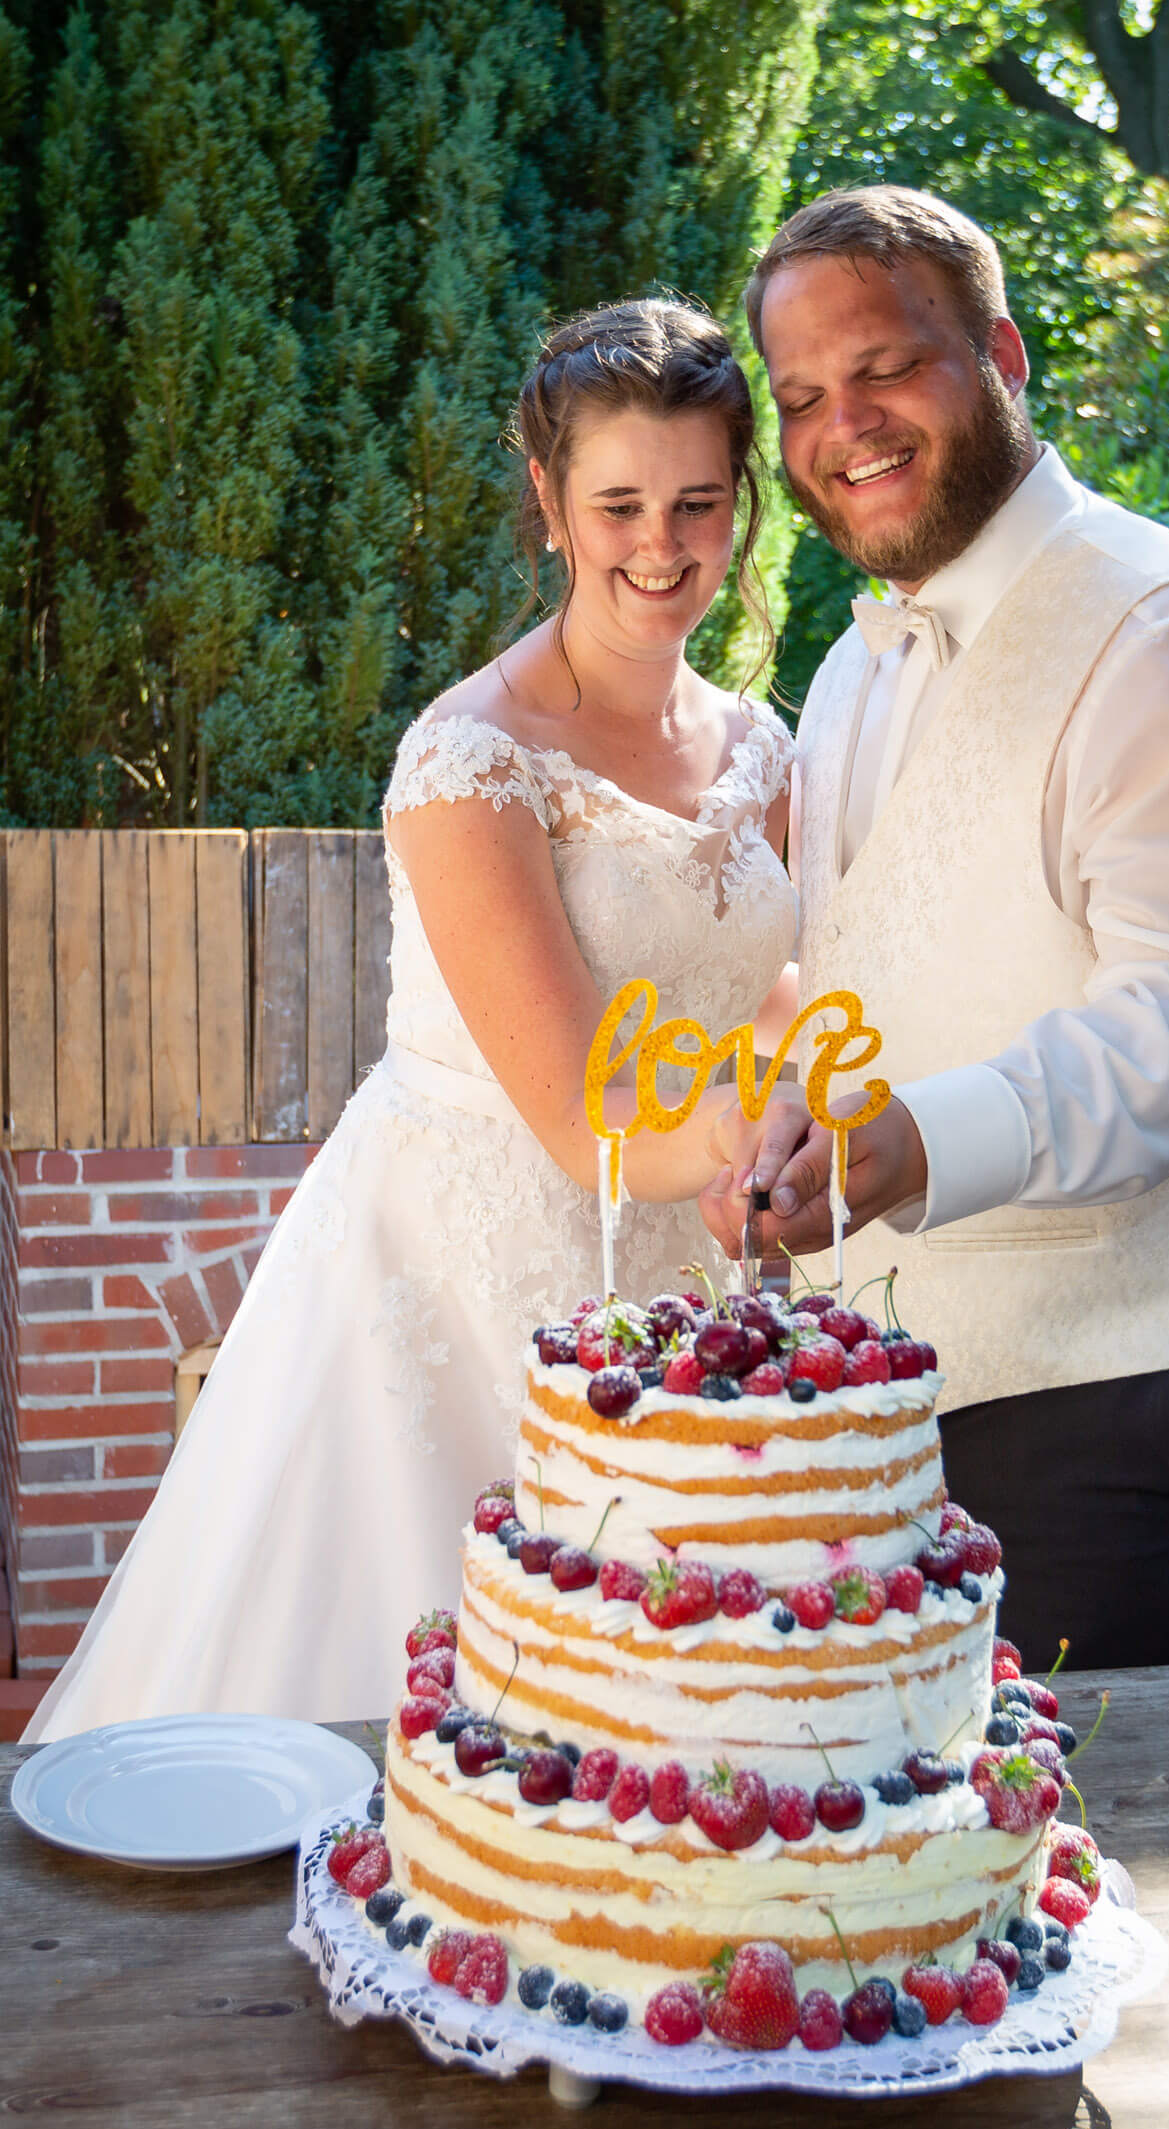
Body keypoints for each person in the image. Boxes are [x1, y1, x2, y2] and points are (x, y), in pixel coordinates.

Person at [26, 298, 799, 1740]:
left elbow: (768, 986)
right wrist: (760, 1138)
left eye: (699, 502)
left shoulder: (766, 746)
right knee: (445, 1722)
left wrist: (811, 1105)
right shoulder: (471, 760)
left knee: (677, 1733)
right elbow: (579, 1118)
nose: (663, 545)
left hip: (694, 1257)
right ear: (549, 505)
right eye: (620, 503)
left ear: (741, 502)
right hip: (464, 1263)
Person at [704, 186, 1169, 1672]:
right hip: (930, 1400)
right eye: (805, 395)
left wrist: (912, 1145)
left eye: (886, 366)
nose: (846, 424)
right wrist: (789, 1131)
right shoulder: (848, 671)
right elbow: (875, 973)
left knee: (1146, 1873)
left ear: (1005, 356)